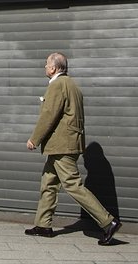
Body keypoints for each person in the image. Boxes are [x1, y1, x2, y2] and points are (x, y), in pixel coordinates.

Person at [25, 52, 122, 246]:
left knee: (72, 184)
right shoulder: (73, 85)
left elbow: (49, 115)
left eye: (46, 65)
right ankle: (43, 225)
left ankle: (108, 222)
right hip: (65, 144)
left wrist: (34, 139)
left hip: (62, 145)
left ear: (53, 68)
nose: (45, 67)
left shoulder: (57, 85)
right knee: (49, 182)